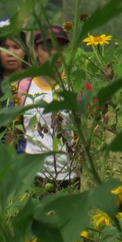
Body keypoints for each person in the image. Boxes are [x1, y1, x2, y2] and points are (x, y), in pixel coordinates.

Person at [18, 26, 78, 189]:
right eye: (47, 48)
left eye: (60, 48)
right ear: (35, 51)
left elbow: (86, 129)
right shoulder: (23, 87)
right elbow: (14, 130)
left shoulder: (74, 86)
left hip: (68, 173)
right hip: (33, 174)